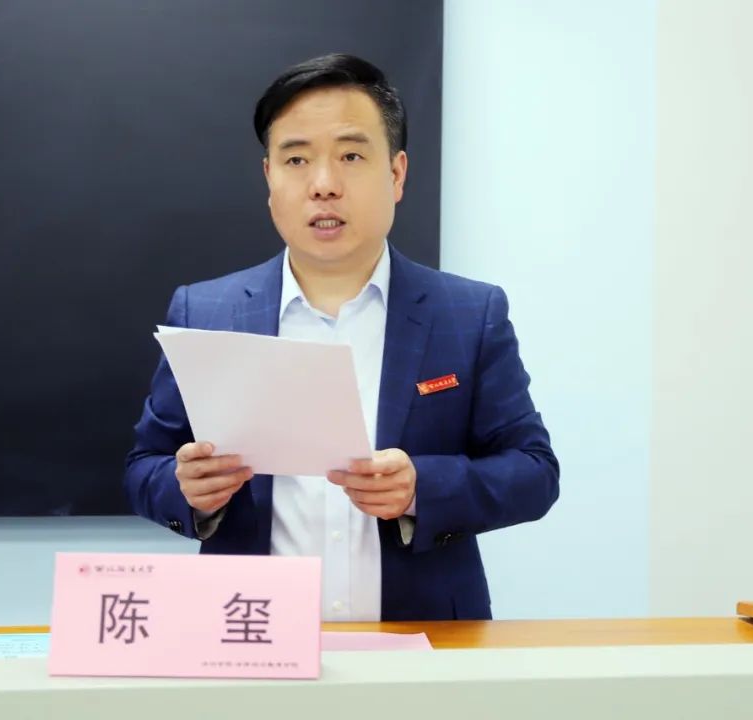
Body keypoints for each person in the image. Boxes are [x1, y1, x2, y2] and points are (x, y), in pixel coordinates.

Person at [124, 53, 559, 621]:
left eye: (351, 156)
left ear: (396, 174)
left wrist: (421, 488)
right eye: (297, 159)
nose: (324, 185)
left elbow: (534, 472)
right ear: (270, 178)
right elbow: (145, 466)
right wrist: (187, 489)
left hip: (424, 643)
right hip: (250, 636)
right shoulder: (206, 310)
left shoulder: (469, 313)